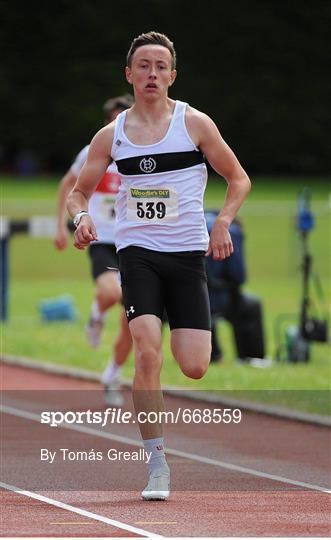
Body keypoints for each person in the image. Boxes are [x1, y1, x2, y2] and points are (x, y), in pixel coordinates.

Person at [67, 31, 251, 501]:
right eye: (143, 66)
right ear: (129, 75)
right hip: (137, 254)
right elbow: (77, 191)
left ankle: (159, 435)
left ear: (172, 74)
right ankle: (157, 465)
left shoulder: (195, 124)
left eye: (160, 66)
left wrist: (223, 223)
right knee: (148, 351)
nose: (152, 73)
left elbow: (238, 178)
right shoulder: (112, 134)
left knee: (193, 366)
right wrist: (82, 217)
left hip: (187, 256)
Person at [54, 94, 134, 406]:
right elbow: (67, 186)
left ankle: (113, 375)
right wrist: (62, 225)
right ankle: (95, 315)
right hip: (101, 239)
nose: (117, 125)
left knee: (133, 323)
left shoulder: (141, 151)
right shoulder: (94, 151)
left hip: (136, 243)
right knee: (111, 293)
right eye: (112, 120)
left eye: (122, 119)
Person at [205, 211, 268, 366]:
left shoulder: (195, 224)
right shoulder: (231, 232)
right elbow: (238, 276)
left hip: (178, 297)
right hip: (217, 298)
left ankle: (214, 353)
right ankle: (252, 357)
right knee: (252, 305)